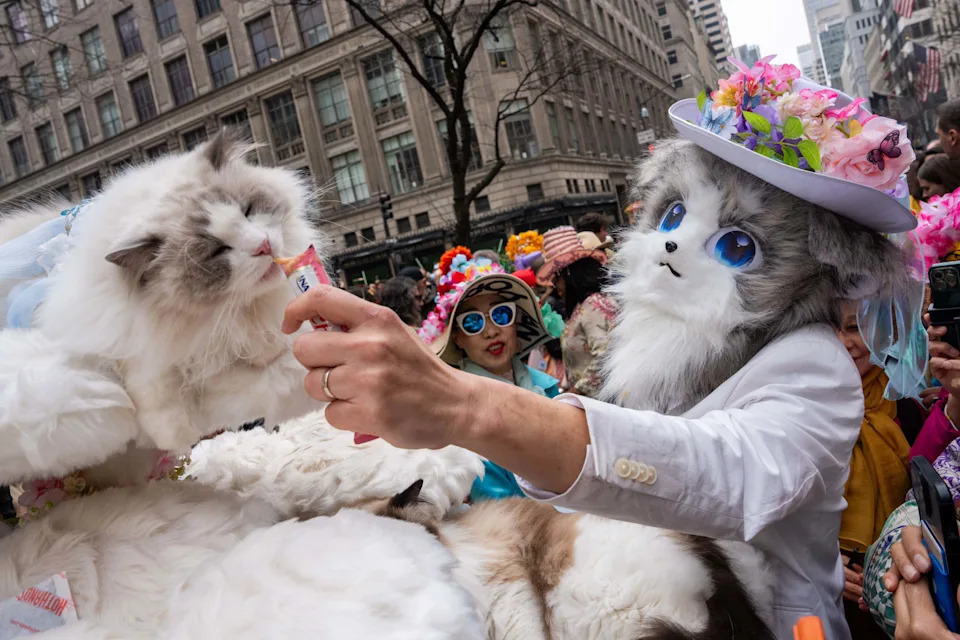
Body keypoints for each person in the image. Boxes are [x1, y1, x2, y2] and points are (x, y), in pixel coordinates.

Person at [283, 63, 922, 639]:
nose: (674, 246)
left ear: (816, 270)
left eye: (735, 245)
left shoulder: (815, 365)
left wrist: (468, 405)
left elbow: (729, 473)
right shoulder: (659, 337)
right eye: (673, 218)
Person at [417, 247, 558, 501]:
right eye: (473, 322)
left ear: (515, 321)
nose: (491, 331)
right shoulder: (456, 410)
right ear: (457, 337)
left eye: (500, 314)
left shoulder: (547, 388)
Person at [835, 301, 914, 638]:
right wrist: (819, 564)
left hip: (899, 583)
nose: (842, 342)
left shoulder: (906, 405)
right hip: (817, 587)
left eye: (854, 328)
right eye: (829, 328)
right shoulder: (794, 411)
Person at [537, 226, 617, 397]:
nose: (554, 285)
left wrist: (575, 393)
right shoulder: (580, 308)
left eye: (556, 278)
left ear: (569, 274)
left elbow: (607, 358)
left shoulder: (593, 305)